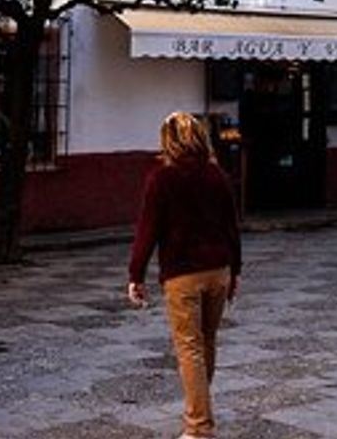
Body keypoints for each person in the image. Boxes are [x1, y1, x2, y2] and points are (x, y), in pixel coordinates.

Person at [127, 112, 242, 439]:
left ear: (168, 140)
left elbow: (147, 230)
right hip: (219, 269)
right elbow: (232, 228)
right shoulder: (217, 175)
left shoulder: (161, 179)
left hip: (182, 274)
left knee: (189, 347)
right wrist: (236, 271)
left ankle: (198, 427)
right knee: (206, 342)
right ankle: (199, 410)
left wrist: (136, 273)